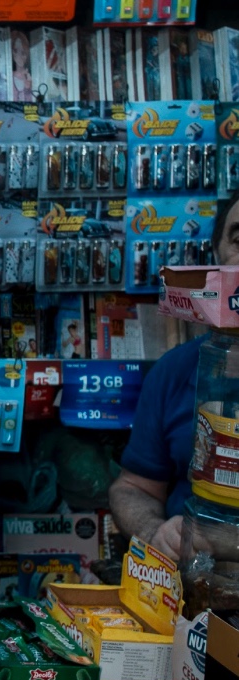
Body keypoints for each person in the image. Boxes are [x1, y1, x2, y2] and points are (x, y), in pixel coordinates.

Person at [108, 191, 239, 558]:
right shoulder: (174, 371)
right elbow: (133, 488)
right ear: (217, 258)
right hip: (198, 582)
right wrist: (154, 531)